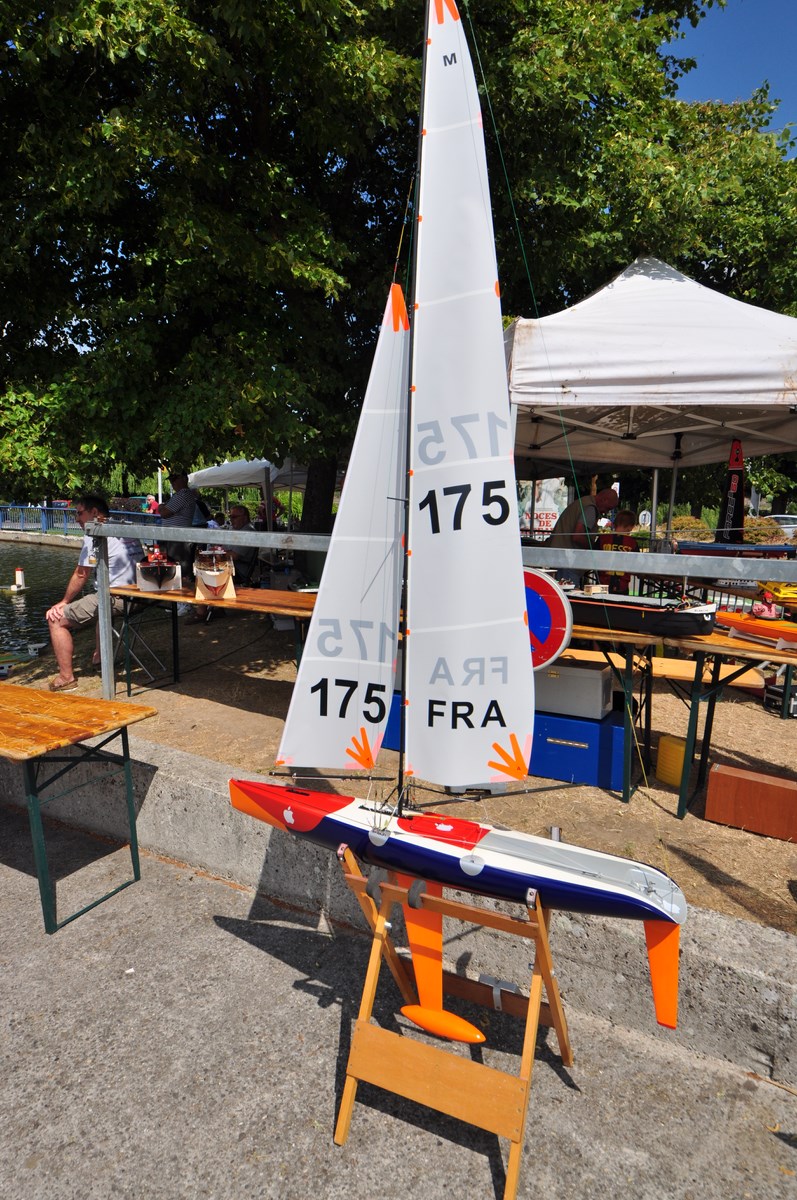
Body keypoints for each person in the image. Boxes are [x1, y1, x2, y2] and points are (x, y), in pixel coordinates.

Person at [45, 494, 143, 691]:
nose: (76, 519)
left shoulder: (95, 533)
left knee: (55, 619)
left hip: (117, 598)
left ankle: (66, 678)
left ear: (95, 512)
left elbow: (81, 573)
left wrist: (64, 601)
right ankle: (100, 658)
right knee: (100, 605)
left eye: (80, 513)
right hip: (140, 597)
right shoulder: (123, 527)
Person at [187, 505, 258, 625]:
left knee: (204, 573)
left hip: (238, 568)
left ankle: (201, 612)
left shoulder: (248, 532)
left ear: (245, 517)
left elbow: (234, 555)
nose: (231, 520)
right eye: (230, 517)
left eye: (234, 517)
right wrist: (217, 550)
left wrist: (216, 553)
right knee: (203, 567)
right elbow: (226, 549)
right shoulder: (237, 529)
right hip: (230, 565)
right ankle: (216, 609)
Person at [548, 487, 619, 586]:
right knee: (569, 591)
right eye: (608, 508)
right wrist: (593, 547)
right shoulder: (590, 508)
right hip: (568, 561)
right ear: (603, 499)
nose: (605, 512)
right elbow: (578, 536)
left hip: (562, 557)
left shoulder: (584, 502)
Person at [157, 468, 197, 579]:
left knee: (177, 571)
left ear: (184, 479)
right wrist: (163, 507)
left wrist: (162, 507)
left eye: (175, 479)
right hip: (175, 539)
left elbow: (164, 512)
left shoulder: (183, 494)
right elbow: (164, 509)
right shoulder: (180, 495)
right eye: (171, 479)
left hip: (177, 540)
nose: (172, 482)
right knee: (171, 569)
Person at [597, 509, 639, 594]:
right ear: (630, 526)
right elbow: (636, 563)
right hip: (622, 585)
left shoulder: (602, 539)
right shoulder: (632, 542)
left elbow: (593, 557)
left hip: (603, 584)